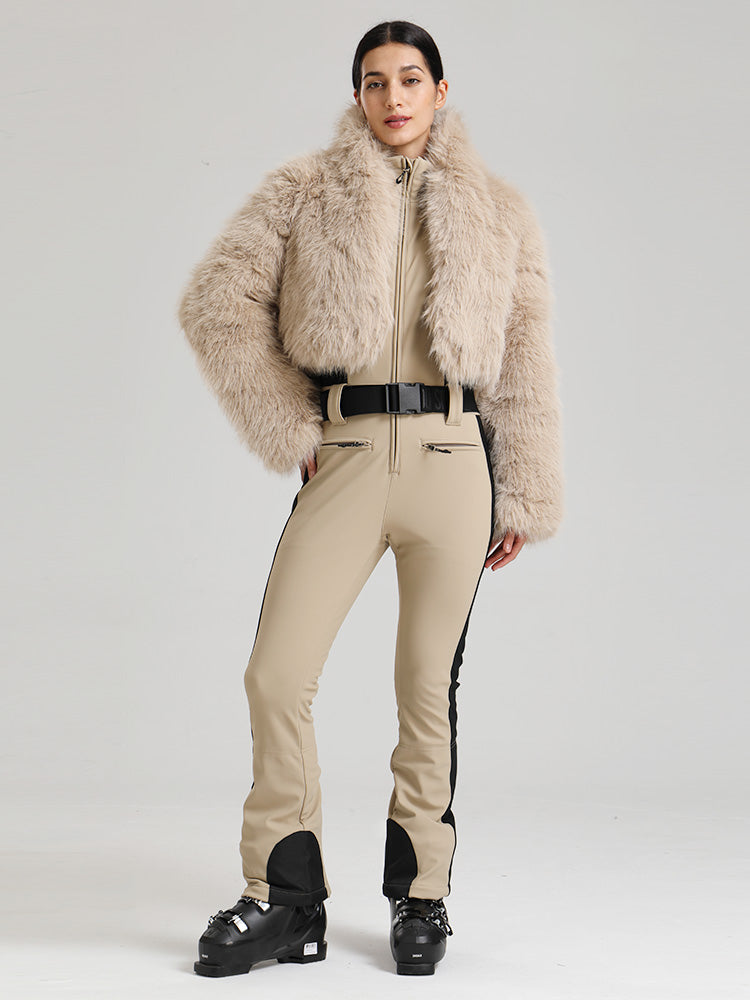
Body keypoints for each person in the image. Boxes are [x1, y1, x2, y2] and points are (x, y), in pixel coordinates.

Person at [176, 18, 564, 978]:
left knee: (427, 687)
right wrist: (290, 427)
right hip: (346, 455)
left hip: (453, 462)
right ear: (357, 94)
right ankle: (285, 899)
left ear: (440, 89)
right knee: (276, 676)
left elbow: (524, 354)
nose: (394, 98)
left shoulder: (502, 211)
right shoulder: (302, 191)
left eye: (411, 79)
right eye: (376, 81)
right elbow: (215, 303)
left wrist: (523, 489)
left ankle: (421, 895)